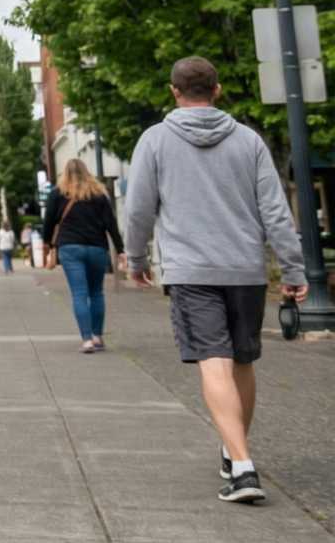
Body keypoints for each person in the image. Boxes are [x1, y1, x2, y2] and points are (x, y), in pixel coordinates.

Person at [123, 56, 307, 505]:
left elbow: (139, 207)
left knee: (213, 359)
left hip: (191, 271)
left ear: (174, 91)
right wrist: (294, 267)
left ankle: (242, 466)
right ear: (217, 89)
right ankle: (232, 448)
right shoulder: (249, 142)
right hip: (244, 268)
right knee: (242, 361)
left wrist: (135, 257)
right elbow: (275, 210)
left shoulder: (155, 141)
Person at [43, 158, 123, 354]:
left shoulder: (57, 194)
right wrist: (120, 250)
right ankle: (97, 336)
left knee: (79, 293)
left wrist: (48, 244)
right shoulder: (98, 194)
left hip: (70, 248)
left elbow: (49, 221)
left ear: (65, 173)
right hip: (96, 248)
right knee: (96, 293)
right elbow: (111, 224)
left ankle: (86, 340)